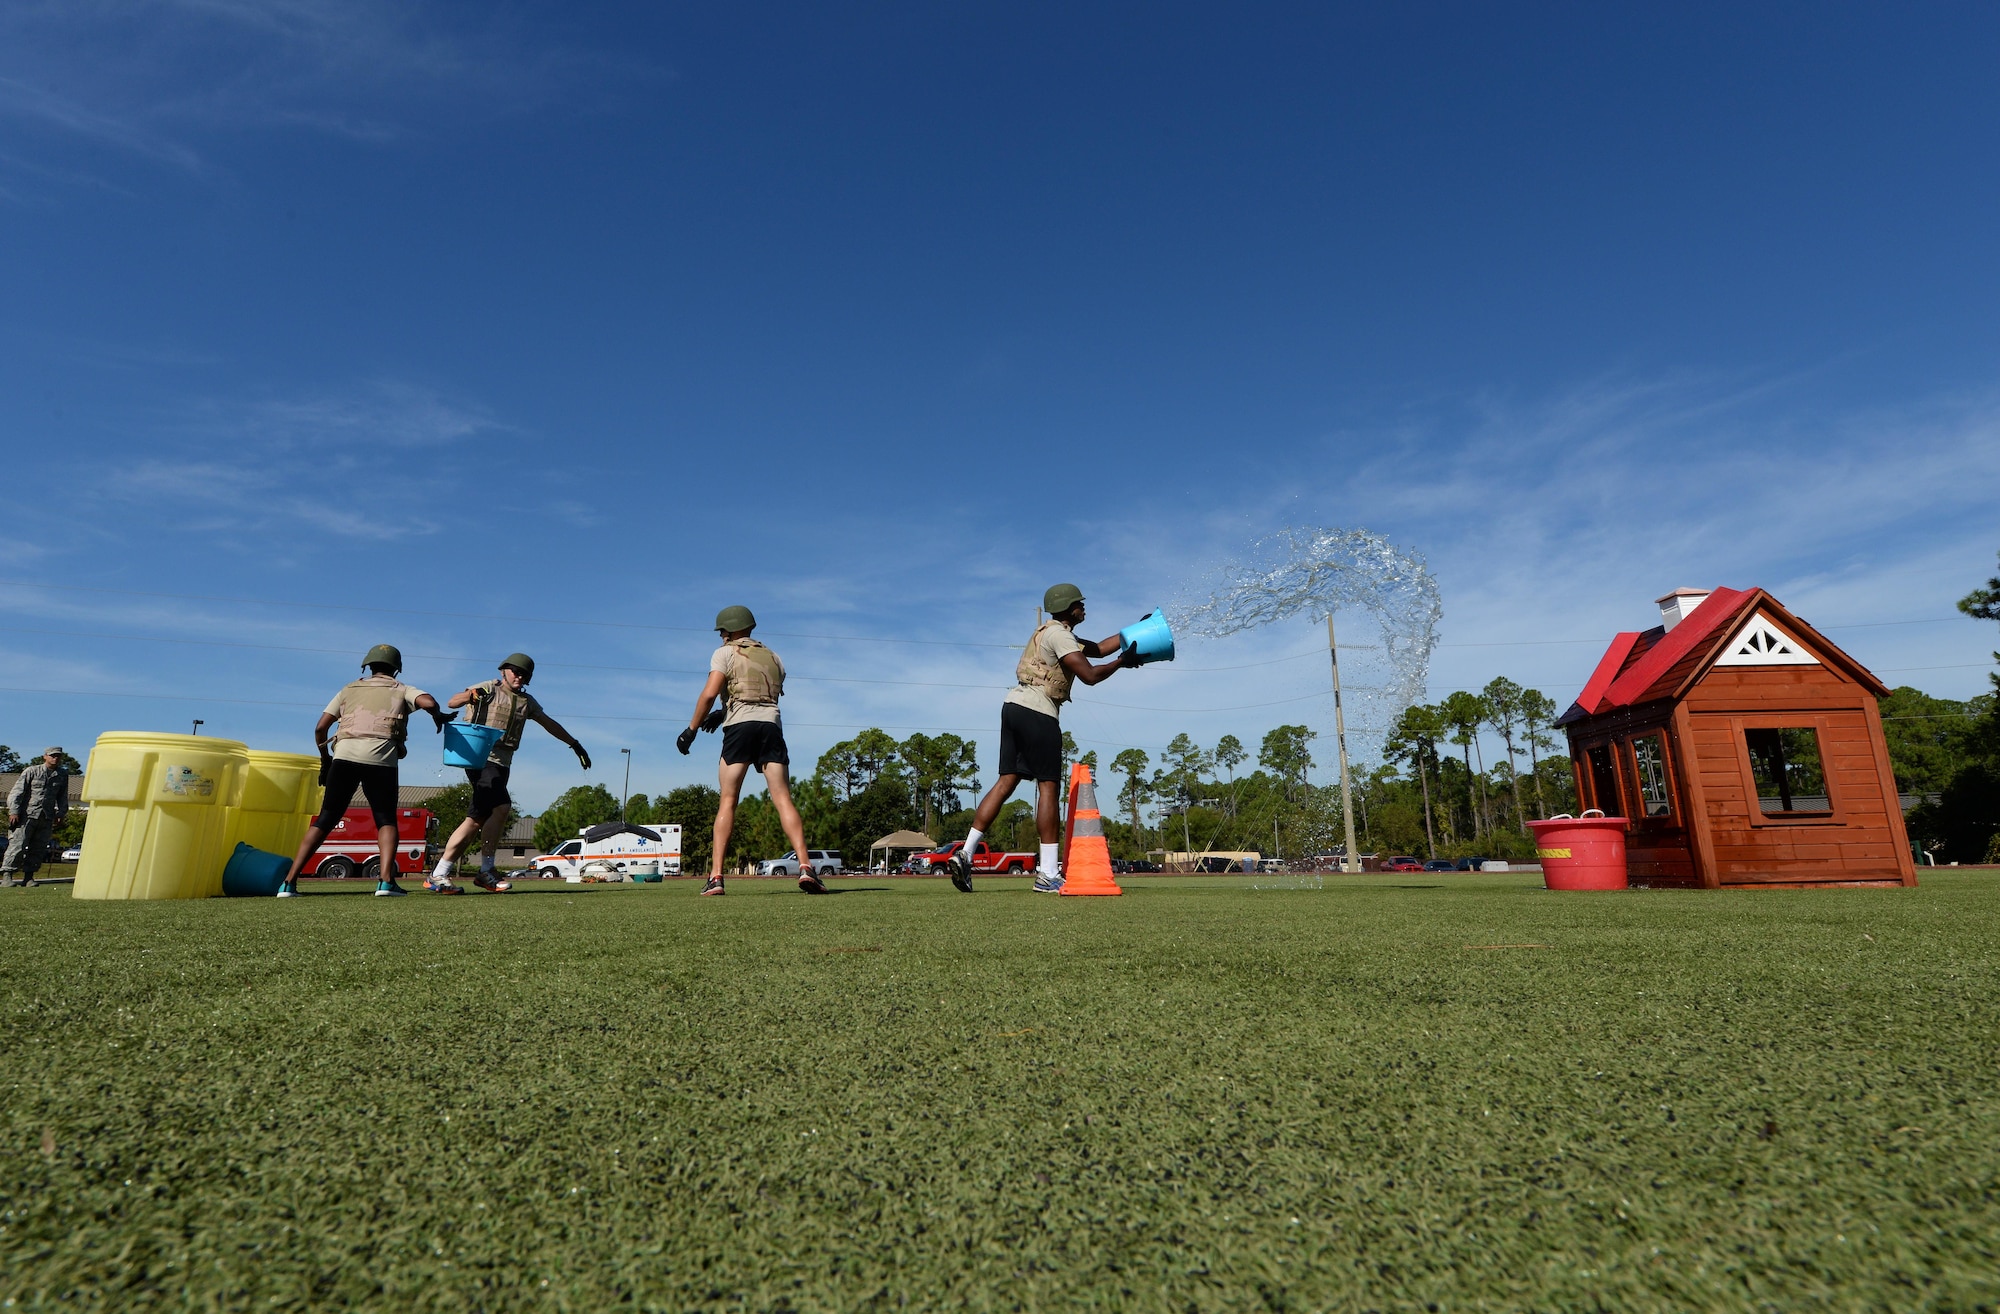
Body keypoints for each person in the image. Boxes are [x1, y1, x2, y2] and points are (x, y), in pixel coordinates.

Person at [951, 584, 1139, 893]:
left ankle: (966, 852)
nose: (1084, 608)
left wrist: (1134, 633)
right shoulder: (1061, 636)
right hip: (1039, 712)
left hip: (1013, 706)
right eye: (1079, 604)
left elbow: (1100, 648)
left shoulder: (1052, 634)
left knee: (1006, 782)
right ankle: (1048, 873)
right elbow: (1090, 676)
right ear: (1068, 607)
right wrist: (1122, 663)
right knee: (1048, 787)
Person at [278, 645, 447, 898]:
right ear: (397, 669)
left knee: (326, 818)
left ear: (367, 666)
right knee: (386, 820)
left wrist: (326, 761)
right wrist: (437, 715)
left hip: (343, 758)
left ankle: (288, 883)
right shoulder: (402, 689)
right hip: (381, 761)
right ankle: (386, 882)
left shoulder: (349, 689)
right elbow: (428, 702)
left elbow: (320, 729)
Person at [676, 605, 822, 896]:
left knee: (728, 800)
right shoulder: (774, 657)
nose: (721, 636)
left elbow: (710, 692)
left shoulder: (725, 653)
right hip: (771, 727)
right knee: (783, 798)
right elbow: (761, 694)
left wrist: (690, 730)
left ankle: (716, 877)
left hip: (739, 728)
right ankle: (806, 867)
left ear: (729, 630)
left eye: (722, 631)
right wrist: (722, 712)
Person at [428, 653, 590, 894]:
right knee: (501, 807)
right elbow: (452, 702)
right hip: (481, 758)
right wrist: (471, 695)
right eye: (515, 671)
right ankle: (485, 870)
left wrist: (574, 744)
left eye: (524, 673)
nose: (519, 676)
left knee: (476, 819)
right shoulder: (488, 688)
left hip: (502, 763)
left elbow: (549, 723)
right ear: (504, 670)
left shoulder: (527, 702)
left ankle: (440, 873)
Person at [2, 747, 70, 888]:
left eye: (58, 756)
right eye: (52, 755)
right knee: (17, 846)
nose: (55, 758)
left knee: (38, 848)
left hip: (46, 817)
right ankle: (7, 875)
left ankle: (29, 877)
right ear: (45, 756)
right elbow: (17, 792)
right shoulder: (32, 771)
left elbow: (62, 796)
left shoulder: (62, 774)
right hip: (26, 816)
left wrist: (61, 813)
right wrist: (14, 811)